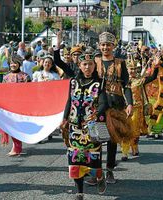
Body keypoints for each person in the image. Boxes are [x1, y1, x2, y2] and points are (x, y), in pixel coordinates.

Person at [86, 32, 133, 185]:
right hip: (98, 107)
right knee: (96, 140)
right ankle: (95, 173)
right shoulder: (94, 61)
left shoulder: (120, 63)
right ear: (99, 46)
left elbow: (126, 85)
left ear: (113, 46)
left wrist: (130, 103)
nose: (106, 47)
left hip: (116, 106)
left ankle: (110, 171)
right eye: (103, 45)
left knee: (112, 141)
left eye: (109, 45)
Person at [61, 50, 107, 200]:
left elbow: (104, 103)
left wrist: (97, 112)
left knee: (93, 162)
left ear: (95, 66)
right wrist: (64, 118)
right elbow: (69, 101)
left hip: (93, 127)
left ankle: (100, 177)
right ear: (79, 66)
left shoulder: (100, 82)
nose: (88, 67)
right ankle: (79, 192)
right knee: (75, 161)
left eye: (90, 64)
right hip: (75, 127)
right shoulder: (73, 82)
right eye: (84, 64)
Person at [0, 54, 31, 156]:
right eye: (11, 63)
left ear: (19, 64)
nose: (13, 65)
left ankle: (17, 147)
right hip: (8, 104)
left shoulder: (25, 76)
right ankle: (15, 145)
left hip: (21, 105)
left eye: (15, 63)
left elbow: (30, 91)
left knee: (15, 126)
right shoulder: (6, 77)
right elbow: (2, 92)